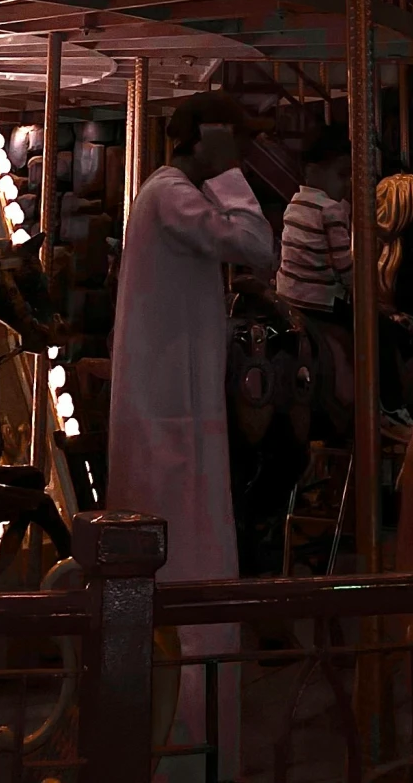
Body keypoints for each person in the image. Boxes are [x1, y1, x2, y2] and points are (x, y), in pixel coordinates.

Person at [106, 91, 273, 774]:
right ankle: (186, 738)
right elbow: (258, 243)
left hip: (175, 413)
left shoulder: (167, 195)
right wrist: (232, 174)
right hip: (172, 422)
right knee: (188, 571)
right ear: (195, 135)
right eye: (228, 133)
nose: (238, 146)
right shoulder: (173, 195)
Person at [275, 123, 353, 314]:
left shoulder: (295, 202)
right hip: (321, 301)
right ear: (312, 171)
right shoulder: (330, 209)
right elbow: (344, 266)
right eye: (342, 175)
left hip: (289, 294)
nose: (349, 183)